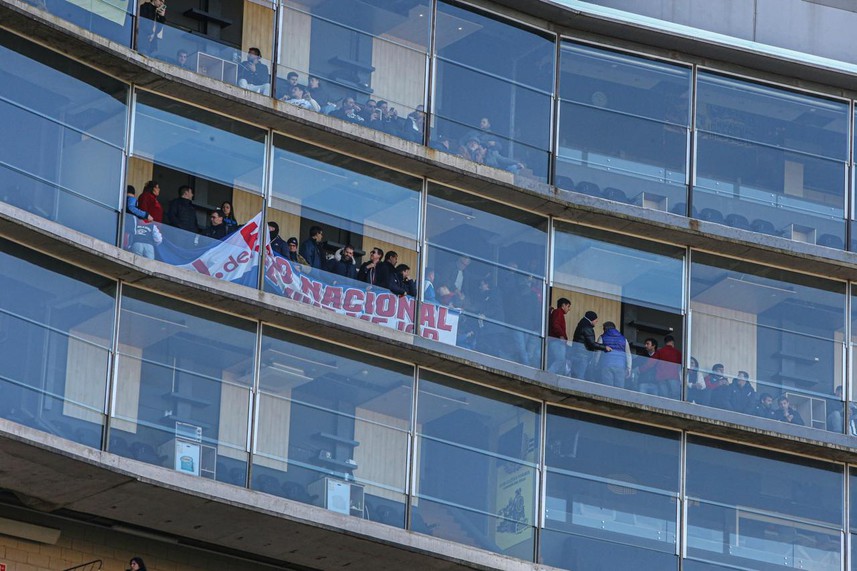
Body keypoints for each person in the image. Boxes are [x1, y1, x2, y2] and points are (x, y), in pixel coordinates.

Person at [569, 311, 611, 381]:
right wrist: (605, 347)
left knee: (575, 376)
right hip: (582, 355)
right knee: (579, 377)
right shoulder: (587, 328)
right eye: (596, 321)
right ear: (592, 319)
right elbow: (592, 344)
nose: (596, 322)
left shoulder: (581, 325)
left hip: (577, 353)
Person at [638, 334, 682, 399]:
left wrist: (640, 369)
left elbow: (650, 363)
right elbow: (683, 365)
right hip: (673, 377)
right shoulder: (678, 353)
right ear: (672, 342)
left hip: (661, 377)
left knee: (664, 398)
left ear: (665, 343)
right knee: (675, 398)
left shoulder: (660, 351)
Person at [594, 321, 632, 389]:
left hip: (606, 364)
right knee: (619, 389)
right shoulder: (623, 339)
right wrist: (629, 368)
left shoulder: (602, 337)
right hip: (620, 366)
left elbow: (598, 352)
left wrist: (595, 364)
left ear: (605, 328)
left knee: (607, 388)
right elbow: (628, 355)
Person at [547, 298, 571, 374]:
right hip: (557, 341)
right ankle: (548, 374)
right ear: (563, 305)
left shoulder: (558, 313)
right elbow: (556, 325)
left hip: (556, 340)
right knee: (560, 360)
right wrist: (561, 335)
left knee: (560, 361)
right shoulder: (558, 312)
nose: (569, 309)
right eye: (568, 306)